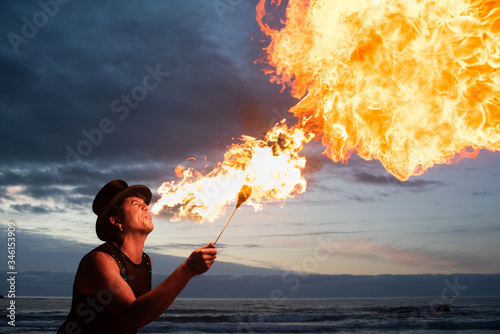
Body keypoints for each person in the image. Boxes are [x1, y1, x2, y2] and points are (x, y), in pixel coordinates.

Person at [58, 180, 217, 334]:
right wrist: (187, 269)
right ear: (116, 220)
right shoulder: (100, 261)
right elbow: (135, 315)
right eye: (135, 204)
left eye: (144, 203)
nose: (145, 206)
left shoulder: (146, 262)